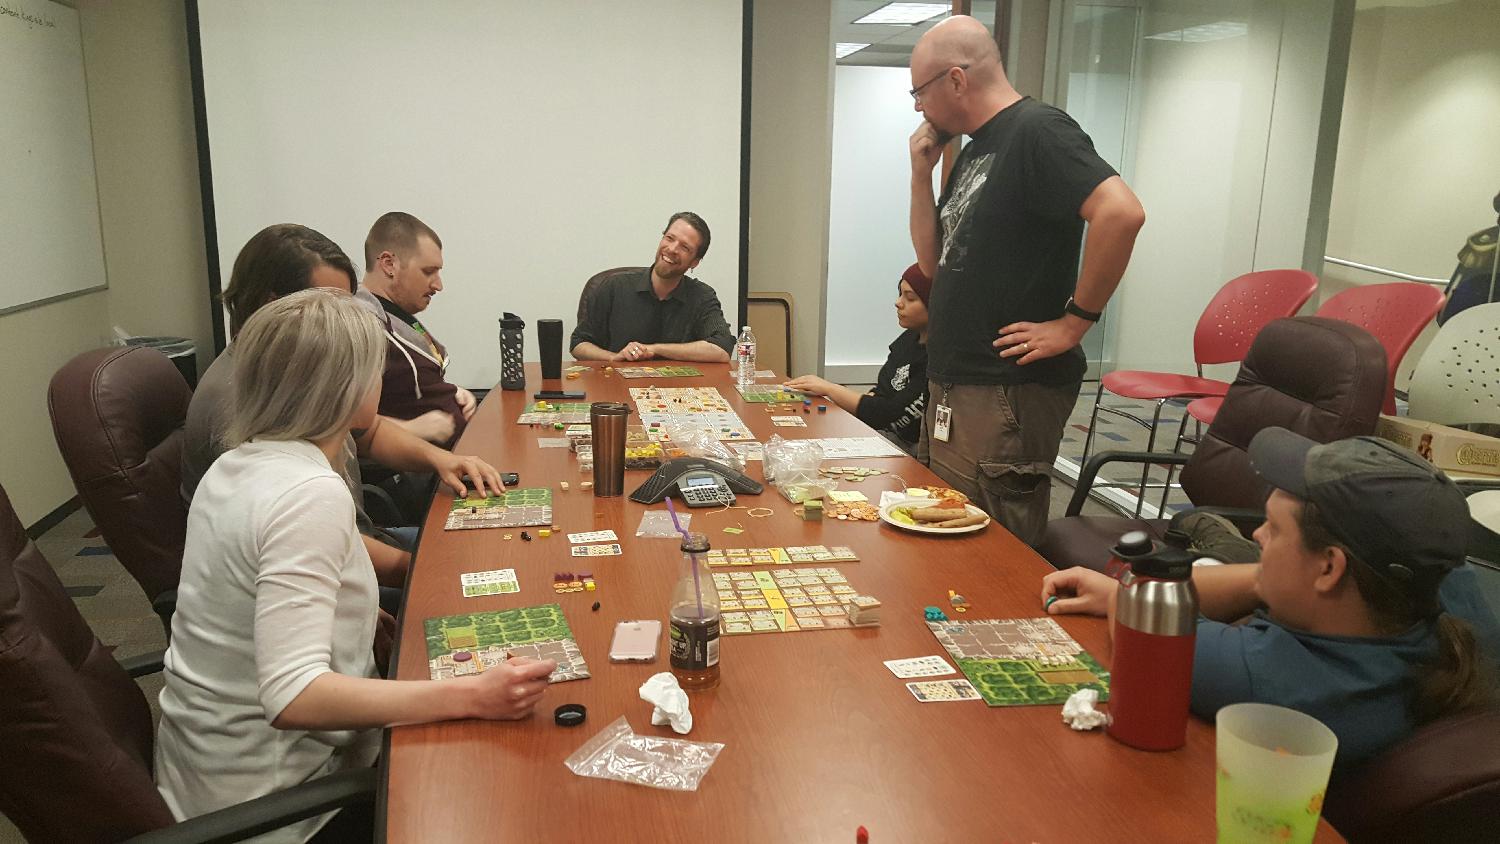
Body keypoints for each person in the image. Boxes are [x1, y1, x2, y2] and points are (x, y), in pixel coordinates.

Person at [156, 290, 556, 843]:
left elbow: (311, 553)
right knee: (502, 798)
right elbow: (293, 695)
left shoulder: (238, 463)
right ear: (345, 390)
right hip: (283, 808)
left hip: (202, 779)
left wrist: (381, 597)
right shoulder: (308, 492)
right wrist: (474, 694)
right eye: (374, 371)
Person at [1042, 429, 1498, 771]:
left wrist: (1126, 593)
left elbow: (1135, 616)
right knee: (1208, 530)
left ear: (1329, 569)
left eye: (1275, 529)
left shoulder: (1268, 679)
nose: (1258, 533)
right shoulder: (1447, 586)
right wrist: (1271, 572)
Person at [907, 15, 1145, 546]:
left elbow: (1121, 213)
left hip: (1006, 390)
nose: (917, 106)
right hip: (958, 382)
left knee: (991, 554)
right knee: (946, 542)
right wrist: (921, 172)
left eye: (919, 91)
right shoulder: (974, 149)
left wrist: (1074, 323)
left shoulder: (1038, 131)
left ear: (956, 80)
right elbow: (931, 262)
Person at [183, 224, 503, 615]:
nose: (348, 320)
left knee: (491, 548)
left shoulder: (297, 369)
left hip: (354, 541)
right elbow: (301, 544)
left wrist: (442, 460)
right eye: (330, 304)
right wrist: (413, 572)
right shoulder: (240, 404)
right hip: (322, 573)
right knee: (485, 591)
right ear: (276, 305)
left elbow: (367, 433)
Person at [355, 211, 476, 445]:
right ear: (389, 264)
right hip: (410, 472)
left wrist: (451, 391)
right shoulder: (361, 323)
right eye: (428, 272)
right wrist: (410, 429)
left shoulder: (396, 312)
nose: (438, 285)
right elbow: (340, 421)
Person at [785, 263, 931, 453]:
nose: (898, 302)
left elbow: (888, 413)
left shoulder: (939, 359)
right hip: (882, 435)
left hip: (909, 448)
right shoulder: (908, 339)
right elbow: (881, 393)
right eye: (900, 293)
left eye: (910, 298)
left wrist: (830, 389)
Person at [569, 212, 734, 363]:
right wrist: (614, 358)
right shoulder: (614, 287)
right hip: (617, 387)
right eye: (669, 238)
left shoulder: (702, 296)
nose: (672, 249)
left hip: (678, 390)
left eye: (684, 247)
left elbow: (722, 349)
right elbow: (579, 344)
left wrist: (654, 349)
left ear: (695, 262)